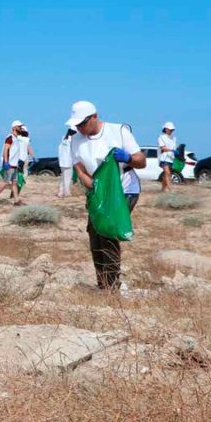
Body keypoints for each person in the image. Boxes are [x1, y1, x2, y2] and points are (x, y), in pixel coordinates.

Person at [67, 100, 147, 292]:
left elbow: (141, 161)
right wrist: (94, 187)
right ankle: (102, 282)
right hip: (97, 192)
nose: (79, 128)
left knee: (108, 231)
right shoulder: (76, 140)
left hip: (124, 190)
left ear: (94, 117)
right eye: (76, 125)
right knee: (95, 234)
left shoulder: (118, 131)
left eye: (82, 123)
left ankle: (112, 286)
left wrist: (127, 158)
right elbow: (80, 171)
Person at [0, 120, 23, 205]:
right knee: (6, 182)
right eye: (19, 127)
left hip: (14, 165)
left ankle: (16, 201)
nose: (21, 128)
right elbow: (5, 150)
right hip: (10, 164)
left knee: (14, 183)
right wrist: (6, 162)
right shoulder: (10, 137)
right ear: (14, 127)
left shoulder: (16, 138)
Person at [157, 122, 177, 192]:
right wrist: (172, 150)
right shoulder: (161, 137)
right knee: (168, 173)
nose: (171, 131)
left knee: (166, 174)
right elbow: (163, 148)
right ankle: (171, 190)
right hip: (164, 158)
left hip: (171, 158)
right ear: (165, 129)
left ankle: (162, 190)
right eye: (170, 129)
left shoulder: (174, 138)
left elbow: (174, 147)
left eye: (172, 129)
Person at [57, 128, 76, 197]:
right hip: (68, 161)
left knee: (63, 178)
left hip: (62, 161)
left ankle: (60, 192)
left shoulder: (63, 139)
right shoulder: (72, 140)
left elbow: (60, 149)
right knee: (68, 178)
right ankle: (67, 192)